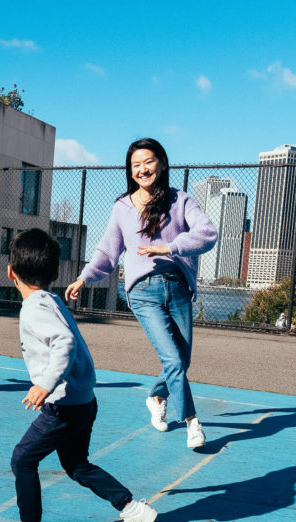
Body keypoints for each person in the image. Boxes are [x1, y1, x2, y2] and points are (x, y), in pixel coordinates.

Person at [0, 228, 158, 522]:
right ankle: (133, 509)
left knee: (22, 459)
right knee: (76, 465)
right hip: (82, 402)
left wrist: (44, 385)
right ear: (53, 273)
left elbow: (64, 343)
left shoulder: (35, 307)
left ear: (10, 272)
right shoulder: (50, 300)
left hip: (63, 405)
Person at [65, 138, 216, 449]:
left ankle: (157, 396)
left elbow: (208, 234)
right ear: (130, 171)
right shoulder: (122, 208)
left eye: (148, 162)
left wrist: (171, 247)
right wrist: (83, 278)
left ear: (160, 162)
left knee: (181, 361)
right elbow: (107, 253)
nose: (142, 169)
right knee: (172, 358)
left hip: (177, 288)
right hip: (143, 293)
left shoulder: (181, 201)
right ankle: (192, 422)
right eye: (136, 165)